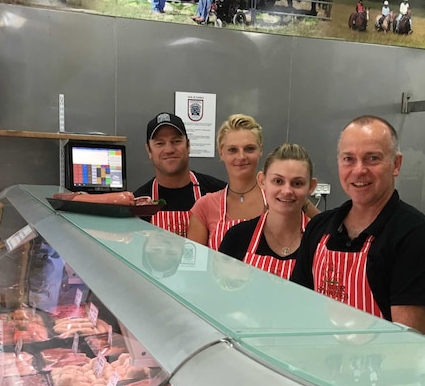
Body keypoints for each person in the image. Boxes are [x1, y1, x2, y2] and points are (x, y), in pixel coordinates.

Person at [290, 116, 425, 334]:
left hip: (380, 365)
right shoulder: (319, 228)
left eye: (372, 158)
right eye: (348, 159)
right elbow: (299, 312)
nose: (359, 170)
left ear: (396, 164)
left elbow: (406, 343)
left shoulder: (417, 237)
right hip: (316, 362)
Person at [219, 143, 317, 280]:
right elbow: (219, 296)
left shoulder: (320, 243)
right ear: (262, 181)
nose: (287, 191)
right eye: (278, 181)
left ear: (311, 186)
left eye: (297, 183)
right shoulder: (237, 237)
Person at [134, 112, 226, 237]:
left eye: (176, 141)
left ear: (188, 145)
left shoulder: (219, 194)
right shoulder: (139, 204)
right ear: (149, 150)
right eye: (160, 143)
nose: (169, 150)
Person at [187, 114, 266, 250]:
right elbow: (194, 267)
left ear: (261, 150)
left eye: (249, 148)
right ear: (221, 153)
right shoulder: (205, 206)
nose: (241, 156)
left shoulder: (277, 199)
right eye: (232, 150)